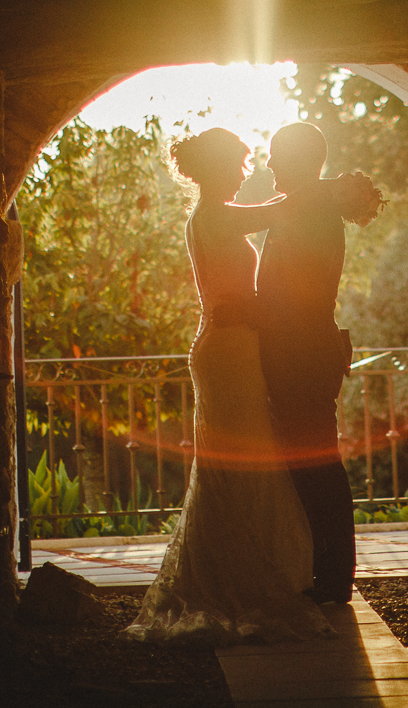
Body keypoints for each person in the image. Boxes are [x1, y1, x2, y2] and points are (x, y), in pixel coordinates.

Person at [124, 128, 332, 643]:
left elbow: (272, 208)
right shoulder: (215, 214)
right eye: (240, 163)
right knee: (241, 458)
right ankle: (239, 573)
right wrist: (333, 188)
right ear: (219, 167)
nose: (247, 171)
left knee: (238, 457)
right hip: (226, 348)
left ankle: (243, 564)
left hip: (230, 345)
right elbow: (276, 211)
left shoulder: (213, 214)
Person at [257, 122, 382, 605]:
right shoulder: (306, 207)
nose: (268, 165)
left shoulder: (310, 213)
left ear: (299, 161)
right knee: (312, 463)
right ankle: (324, 572)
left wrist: (241, 311)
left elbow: (291, 296)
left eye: (275, 156)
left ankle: (332, 578)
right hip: (303, 351)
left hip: (302, 354)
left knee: (318, 464)